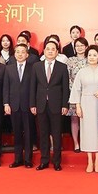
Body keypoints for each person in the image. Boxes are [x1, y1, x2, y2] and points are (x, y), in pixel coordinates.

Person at [70, 45, 98, 173]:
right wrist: (77, 106)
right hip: (85, 104)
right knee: (87, 132)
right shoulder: (81, 72)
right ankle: (89, 161)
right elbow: (76, 89)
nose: (92, 57)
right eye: (89, 55)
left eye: (95, 55)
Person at [30, 40, 70, 171]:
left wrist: (65, 105)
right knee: (43, 134)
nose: (50, 51)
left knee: (57, 134)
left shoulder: (62, 67)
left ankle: (57, 162)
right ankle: (44, 160)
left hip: (57, 105)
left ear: (57, 52)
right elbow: (33, 88)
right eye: (48, 49)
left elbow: (65, 88)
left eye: (53, 49)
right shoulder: (36, 66)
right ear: (44, 51)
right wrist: (32, 104)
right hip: (40, 105)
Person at [4, 44, 39, 168]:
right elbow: (6, 87)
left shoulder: (33, 68)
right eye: (17, 52)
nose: (20, 54)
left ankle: (28, 160)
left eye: (22, 52)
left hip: (28, 105)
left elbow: (35, 88)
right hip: (14, 105)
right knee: (17, 133)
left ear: (27, 54)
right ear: (14, 54)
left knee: (29, 133)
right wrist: (6, 103)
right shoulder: (9, 68)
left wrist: (33, 104)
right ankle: (17, 159)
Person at [66, 37, 89, 153]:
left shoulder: (90, 59)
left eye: (82, 45)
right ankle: (76, 143)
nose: (79, 48)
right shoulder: (70, 60)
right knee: (74, 119)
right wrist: (74, 90)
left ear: (86, 47)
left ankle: (86, 142)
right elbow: (67, 77)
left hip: (87, 94)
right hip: (73, 93)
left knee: (86, 119)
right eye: (77, 46)